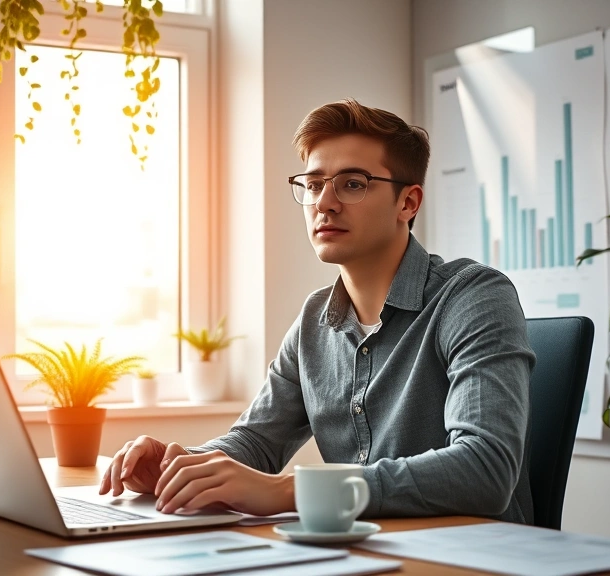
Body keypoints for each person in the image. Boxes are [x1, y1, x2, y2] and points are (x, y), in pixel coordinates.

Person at [99, 99, 536, 524]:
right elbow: (255, 441)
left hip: (473, 560)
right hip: (362, 554)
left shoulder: (474, 296)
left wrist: (292, 491)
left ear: (408, 203)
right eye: (312, 185)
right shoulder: (315, 320)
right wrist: (181, 465)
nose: (324, 202)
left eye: (352, 183)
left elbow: (486, 470)